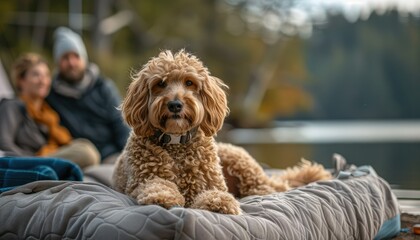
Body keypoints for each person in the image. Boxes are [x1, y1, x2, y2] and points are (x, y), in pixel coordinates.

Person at [0, 53, 100, 169]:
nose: (43, 81)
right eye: (36, 75)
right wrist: (30, 161)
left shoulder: (47, 113)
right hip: (30, 162)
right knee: (86, 153)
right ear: (21, 80)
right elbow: (4, 143)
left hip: (43, 159)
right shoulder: (13, 106)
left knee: (84, 145)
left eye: (46, 75)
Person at [46, 27, 130, 163]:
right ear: (58, 62)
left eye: (76, 56)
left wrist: (128, 156)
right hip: (79, 158)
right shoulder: (52, 95)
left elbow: (121, 123)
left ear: (84, 59)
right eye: (65, 58)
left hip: (111, 155)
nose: (71, 63)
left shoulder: (103, 87)